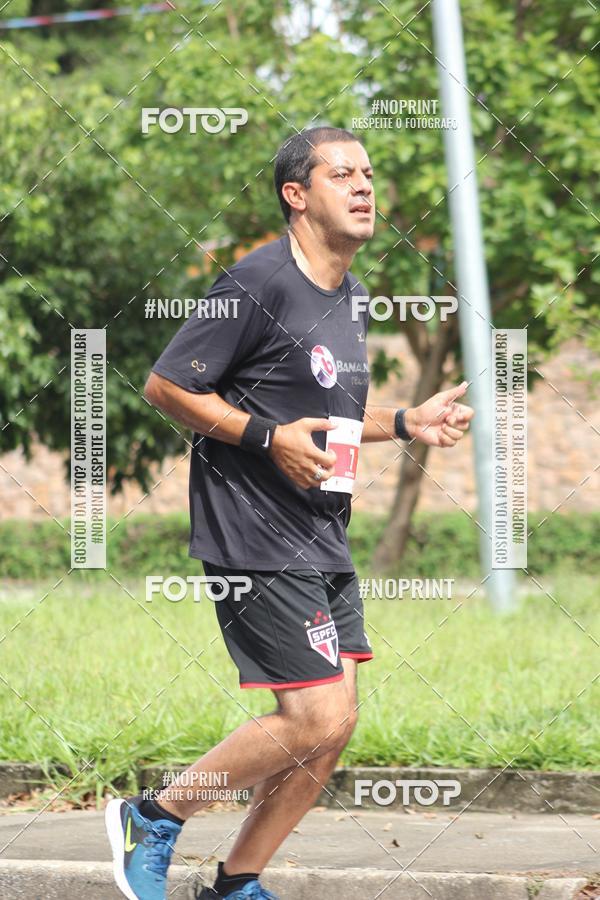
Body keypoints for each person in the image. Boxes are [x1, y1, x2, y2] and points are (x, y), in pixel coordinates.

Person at [105, 125, 474, 900]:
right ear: (297, 194)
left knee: (334, 728)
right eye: (344, 174)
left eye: (368, 173)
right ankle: (153, 814)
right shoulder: (258, 282)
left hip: (320, 531)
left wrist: (407, 423)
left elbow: (327, 419)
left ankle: (236, 883)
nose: (365, 186)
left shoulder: (354, 297)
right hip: (254, 529)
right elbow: (167, 386)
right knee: (311, 716)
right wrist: (266, 437)